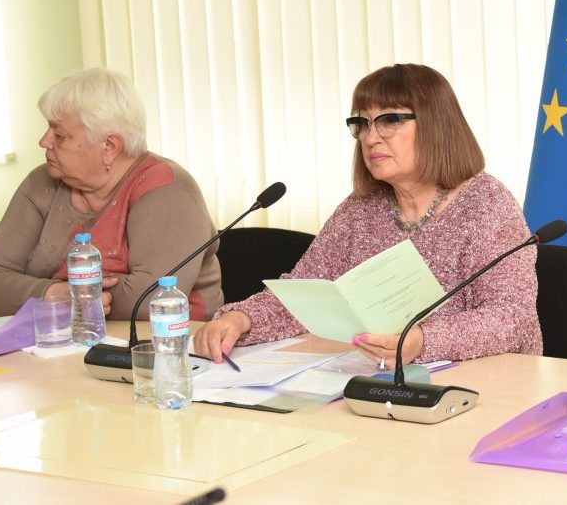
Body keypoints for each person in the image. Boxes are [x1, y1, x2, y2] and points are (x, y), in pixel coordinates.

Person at [194, 63, 542, 368]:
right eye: (362, 123)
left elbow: (512, 317)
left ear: (437, 125)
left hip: (487, 385)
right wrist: (240, 319)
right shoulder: (360, 208)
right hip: (378, 378)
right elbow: (306, 296)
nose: (371, 137)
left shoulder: (486, 203)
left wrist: (422, 340)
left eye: (389, 120)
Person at [0, 68, 223, 320]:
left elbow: (150, 302)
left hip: (166, 342)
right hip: (58, 340)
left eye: (60, 135)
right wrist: (54, 294)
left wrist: (53, 296)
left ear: (110, 146)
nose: (44, 141)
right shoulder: (42, 184)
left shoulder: (168, 191)